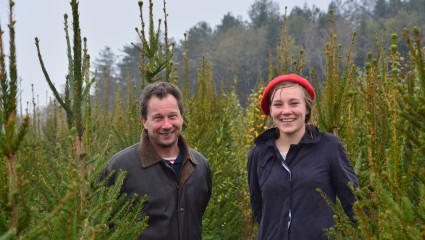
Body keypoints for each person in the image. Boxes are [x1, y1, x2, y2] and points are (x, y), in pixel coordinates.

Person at [247, 74, 358, 239]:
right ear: (270, 110)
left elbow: (353, 202)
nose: (286, 111)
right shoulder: (258, 153)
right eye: (278, 104)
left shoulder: (329, 146)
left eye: (294, 103)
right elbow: (259, 209)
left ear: (307, 108)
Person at [101, 82, 212, 240]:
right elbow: (102, 225)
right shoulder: (120, 167)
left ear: (181, 117)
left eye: (172, 116)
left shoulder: (200, 166)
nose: (166, 125)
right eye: (158, 118)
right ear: (144, 122)